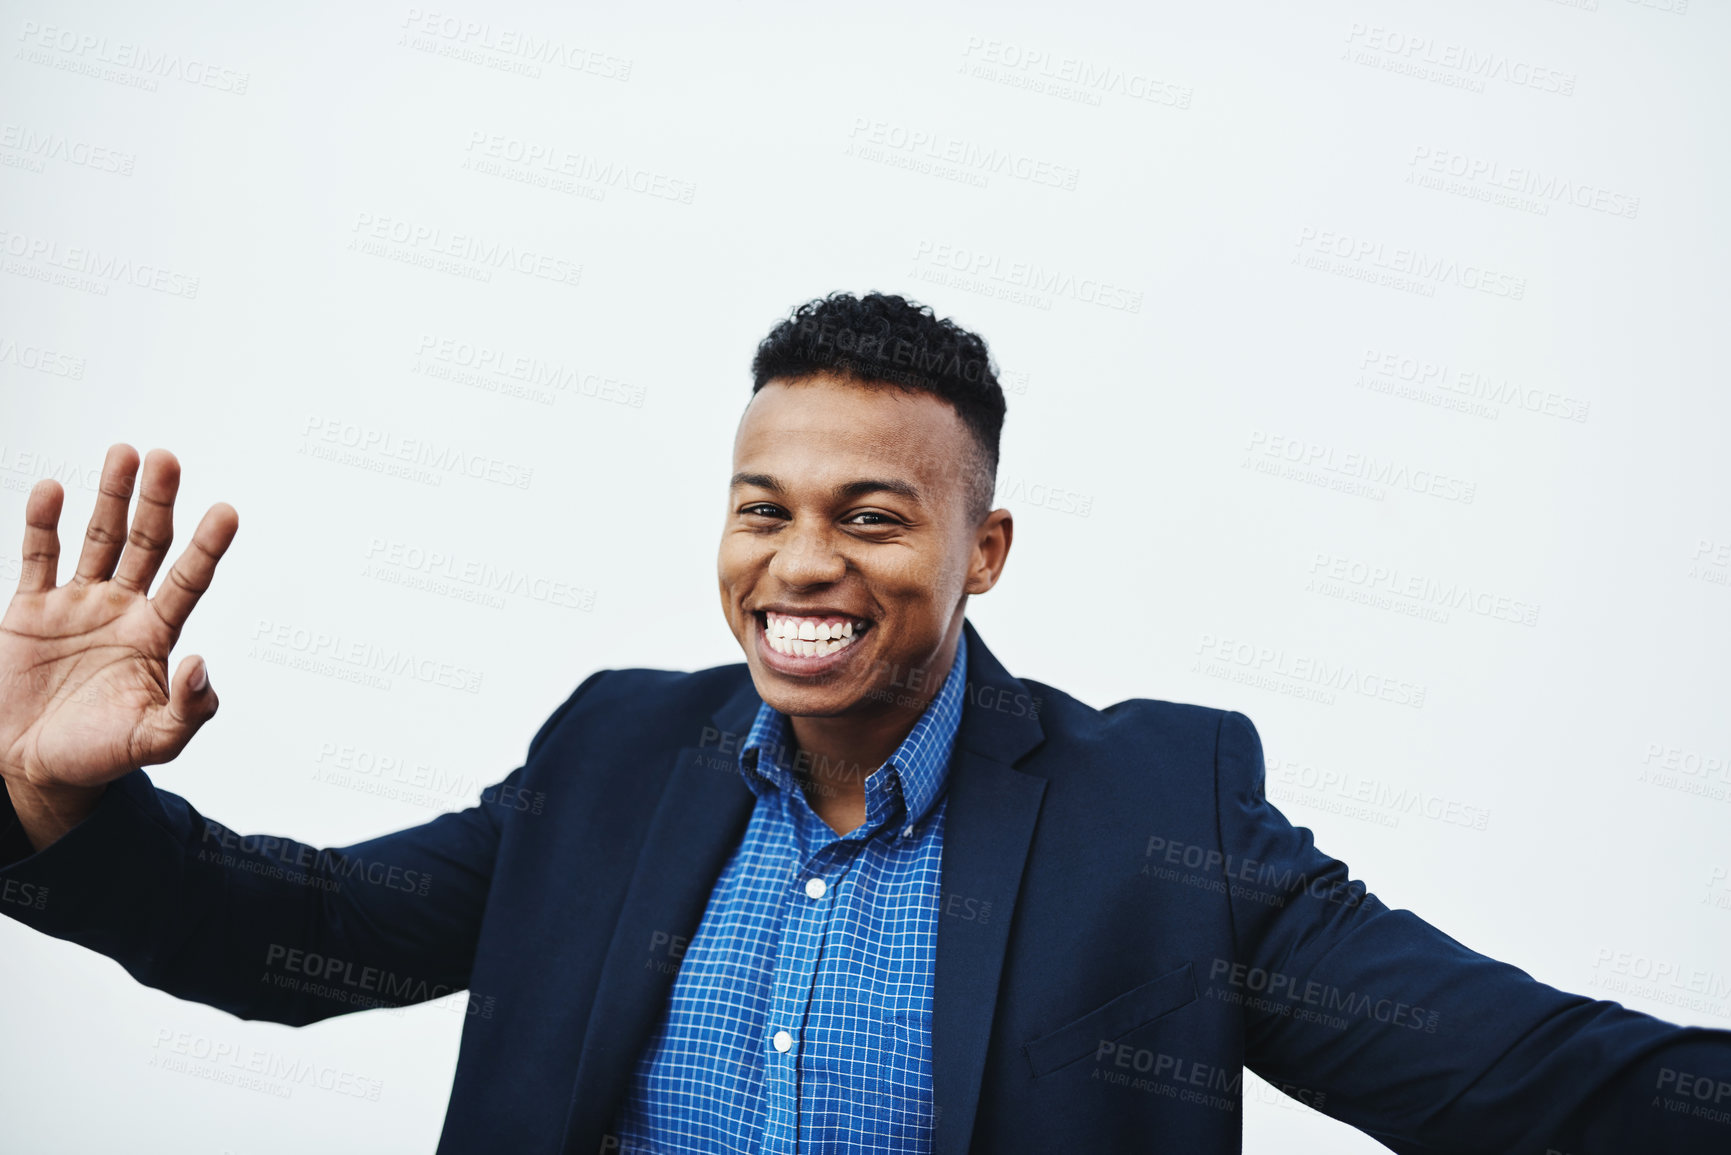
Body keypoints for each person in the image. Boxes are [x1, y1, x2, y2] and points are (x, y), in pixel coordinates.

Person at [1, 291, 1725, 1154]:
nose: (801, 563)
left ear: (985, 551)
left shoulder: (1156, 809)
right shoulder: (613, 754)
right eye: (763, 507)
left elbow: (1522, 1077)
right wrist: (66, 808)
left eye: (874, 516)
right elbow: (310, 942)